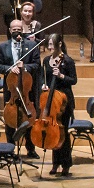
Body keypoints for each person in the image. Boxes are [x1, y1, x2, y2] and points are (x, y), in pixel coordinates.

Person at [0, 20, 40, 157]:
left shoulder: (31, 45)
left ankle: (30, 148)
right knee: (10, 119)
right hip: (11, 89)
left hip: (27, 88)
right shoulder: (3, 46)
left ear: (22, 29)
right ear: (10, 31)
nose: (17, 30)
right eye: (14, 28)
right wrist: (10, 68)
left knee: (28, 117)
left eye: (19, 28)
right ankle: (10, 148)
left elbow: (36, 64)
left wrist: (25, 67)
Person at [38, 33, 77, 176]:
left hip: (63, 101)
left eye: (51, 44)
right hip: (50, 99)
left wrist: (61, 76)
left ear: (59, 44)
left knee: (63, 133)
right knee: (52, 132)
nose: (48, 47)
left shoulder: (67, 61)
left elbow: (73, 80)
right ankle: (55, 163)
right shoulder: (46, 60)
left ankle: (66, 164)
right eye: (48, 44)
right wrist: (43, 85)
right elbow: (43, 76)